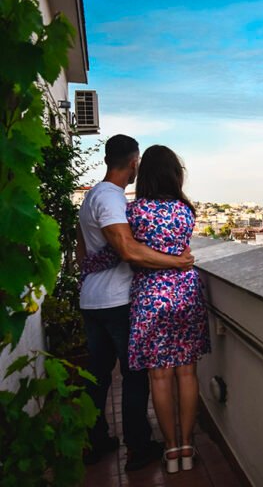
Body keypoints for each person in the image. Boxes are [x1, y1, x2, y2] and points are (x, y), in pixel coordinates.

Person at [77, 134, 195, 471]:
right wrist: (177, 262)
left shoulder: (91, 198)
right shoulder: (114, 200)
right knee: (135, 376)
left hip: (93, 297)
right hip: (116, 299)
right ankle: (139, 446)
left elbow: (81, 250)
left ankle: (94, 439)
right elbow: (128, 250)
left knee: (98, 375)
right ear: (133, 163)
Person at [126, 145, 211, 474]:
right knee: (187, 372)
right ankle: (189, 447)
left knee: (159, 377)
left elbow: (127, 252)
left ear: (145, 174)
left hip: (151, 295)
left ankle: (172, 451)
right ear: (175, 175)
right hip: (185, 293)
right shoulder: (185, 210)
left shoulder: (136, 212)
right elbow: (185, 250)